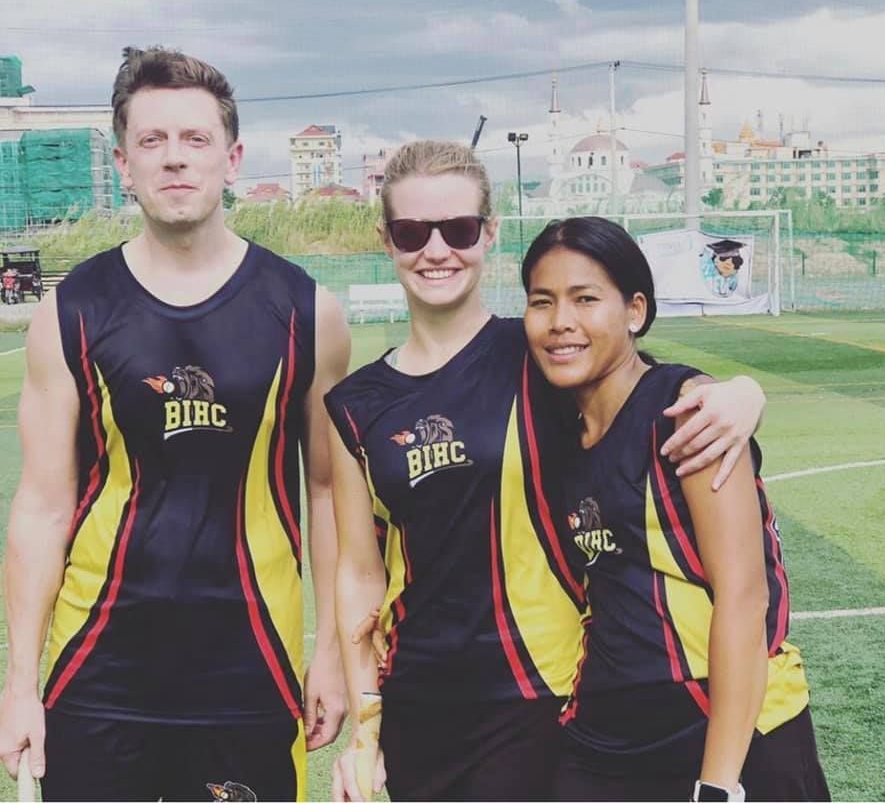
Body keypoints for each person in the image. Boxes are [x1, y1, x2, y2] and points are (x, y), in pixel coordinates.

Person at [325, 141, 769, 803]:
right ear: (386, 239)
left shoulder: (542, 349)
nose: (436, 249)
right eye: (413, 232)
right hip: (419, 704)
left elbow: (652, 387)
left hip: (545, 697)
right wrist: (365, 730)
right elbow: (361, 573)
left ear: (490, 234)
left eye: (460, 229)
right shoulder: (356, 405)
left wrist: (743, 392)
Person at [0, 46, 349, 802]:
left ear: (232, 156)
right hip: (99, 663)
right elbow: (41, 505)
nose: (175, 161)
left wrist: (332, 656)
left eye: (195, 140)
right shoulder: (73, 310)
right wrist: (19, 684)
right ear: (123, 164)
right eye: (152, 143)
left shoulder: (305, 312)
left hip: (250, 659)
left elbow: (328, 496)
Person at [521, 216, 829, 803]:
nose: (561, 321)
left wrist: (718, 785)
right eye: (543, 301)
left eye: (586, 299)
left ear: (634, 311)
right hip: (611, 725)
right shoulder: (560, 424)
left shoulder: (689, 413)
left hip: (729, 723)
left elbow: (745, 594)